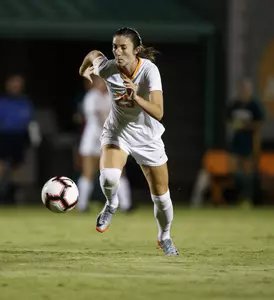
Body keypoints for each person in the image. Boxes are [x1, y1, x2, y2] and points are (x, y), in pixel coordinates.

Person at [78, 27, 178, 255]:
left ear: (137, 51)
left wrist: (137, 97)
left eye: (124, 47)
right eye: (115, 47)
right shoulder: (108, 68)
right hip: (117, 132)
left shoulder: (149, 71)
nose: (118, 52)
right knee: (109, 177)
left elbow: (159, 111)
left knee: (162, 197)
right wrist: (84, 70)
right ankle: (112, 204)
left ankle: (165, 237)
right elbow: (94, 54)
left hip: (147, 137)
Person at [77, 76, 132, 212]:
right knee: (88, 173)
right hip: (92, 140)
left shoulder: (111, 97)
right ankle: (81, 205)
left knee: (119, 171)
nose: (103, 84)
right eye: (100, 81)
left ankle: (126, 205)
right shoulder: (91, 97)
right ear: (93, 83)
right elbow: (99, 117)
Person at [0, 74, 34, 203]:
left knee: (17, 165)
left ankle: (11, 194)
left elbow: (30, 122)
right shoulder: (1, 102)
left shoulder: (25, 102)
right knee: (0, 163)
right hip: (5, 135)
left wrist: (30, 138)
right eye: (13, 84)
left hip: (19, 136)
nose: (16, 87)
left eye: (18, 84)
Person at [227, 79, 264, 206]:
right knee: (234, 171)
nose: (245, 91)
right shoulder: (234, 104)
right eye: (243, 88)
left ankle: (248, 199)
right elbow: (228, 120)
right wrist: (235, 125)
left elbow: (259, 123)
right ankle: (237, 198)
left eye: (247, 88)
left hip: (249, 142)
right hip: (236, 141)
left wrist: (247, 125)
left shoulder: (254, 105)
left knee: (248, 171)